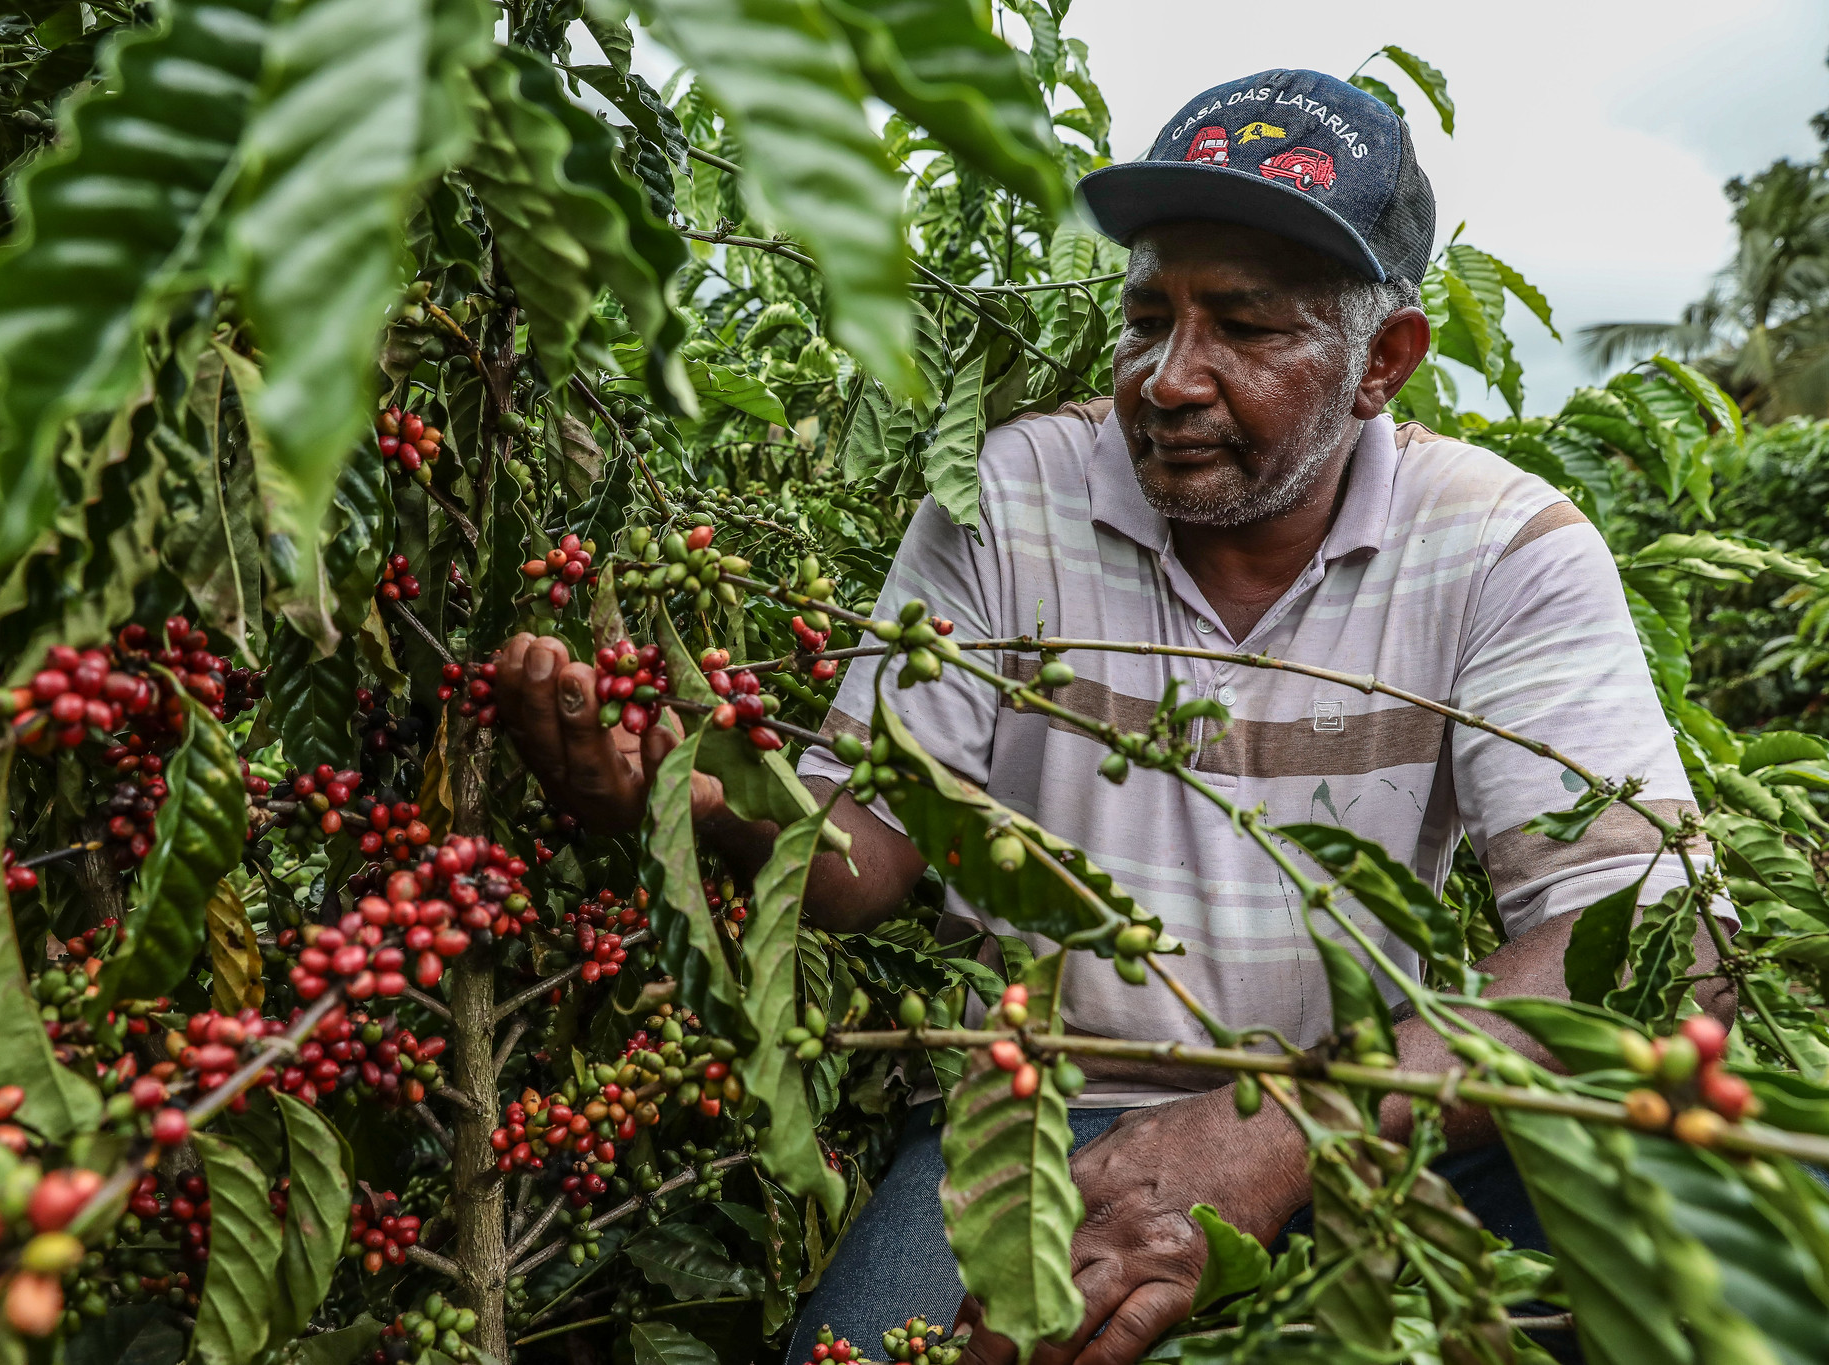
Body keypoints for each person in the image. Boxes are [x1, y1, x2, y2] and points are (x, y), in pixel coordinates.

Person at [493, 69, 1732, 1365]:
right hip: (1037, 1108)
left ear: (1384, 363)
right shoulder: (1010, 495)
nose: (1171, 379)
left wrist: (1276, 1130)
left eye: (1243, 326)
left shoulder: (1500, 548)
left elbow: (1650, 935)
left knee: (1696, 1277)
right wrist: (678, 793)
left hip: (1370, 1113)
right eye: (1151, 316)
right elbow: (862, 856)